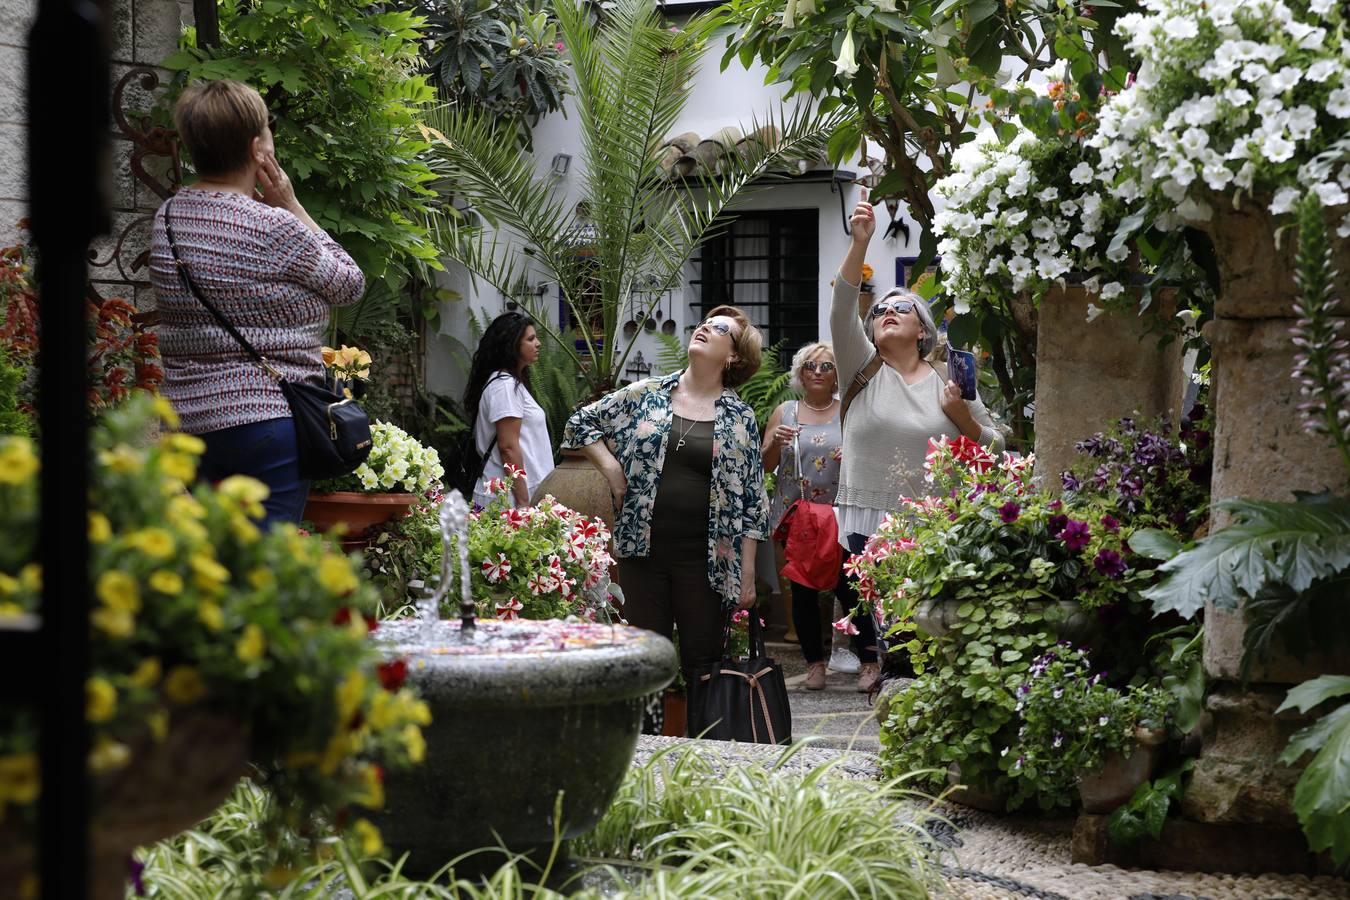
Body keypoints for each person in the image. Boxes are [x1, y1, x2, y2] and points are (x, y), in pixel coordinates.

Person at [148, 79, 364, 527]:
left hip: (189, 425)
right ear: (256, 147)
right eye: (267, 128)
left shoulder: (167, 218)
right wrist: (292, 205)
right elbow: (348, 284)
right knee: (264, 574)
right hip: (266, 419)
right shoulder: (273, 226)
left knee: (215, 560)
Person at [830, 197, 1005, 689]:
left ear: (923, 329)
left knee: (927, 632)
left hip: (936, 525)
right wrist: (859, 240)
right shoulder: (860, 368)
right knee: (892, 631)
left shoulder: (952, 381)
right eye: (880, 309)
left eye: (899, 307)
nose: (886, 312)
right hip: (869, 517)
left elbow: (996, 452)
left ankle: (915, 715)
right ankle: (902, 714)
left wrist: (961, 418)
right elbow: (843, 306)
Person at [562, 305, 769, 695]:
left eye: (719, 328)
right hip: (643, 551)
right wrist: (610, 468)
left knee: (703, 664)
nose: (704, 329)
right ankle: (645, 748)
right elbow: (580, 423)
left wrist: (746, 572)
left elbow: (754, 502)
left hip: (707, 559)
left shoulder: (740, 416)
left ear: (734, 355)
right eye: (704, 323)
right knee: (645, 659)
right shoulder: (647, 393)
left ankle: (702, 749)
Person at [762, 342, 876, 692]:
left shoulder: (849, 411)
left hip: (842, 513)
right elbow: (763, 465)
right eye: (810, 365)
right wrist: (775, 445)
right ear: (799, 372)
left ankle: (869, 662)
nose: (818, 372)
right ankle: (814, 665)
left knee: (852, 588)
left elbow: (870, 459)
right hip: (799, 515)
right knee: (804, 589)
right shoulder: (785, 412)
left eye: (827, 366)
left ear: (837, 375)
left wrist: (853, 454)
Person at [464, 311, 554, 508]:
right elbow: (508, 447)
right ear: (512, 345)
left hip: (515, 493)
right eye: (530, 339)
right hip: (510, 498)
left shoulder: (509, 382)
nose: (538, 343)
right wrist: (523, 503)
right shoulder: (504, 386)